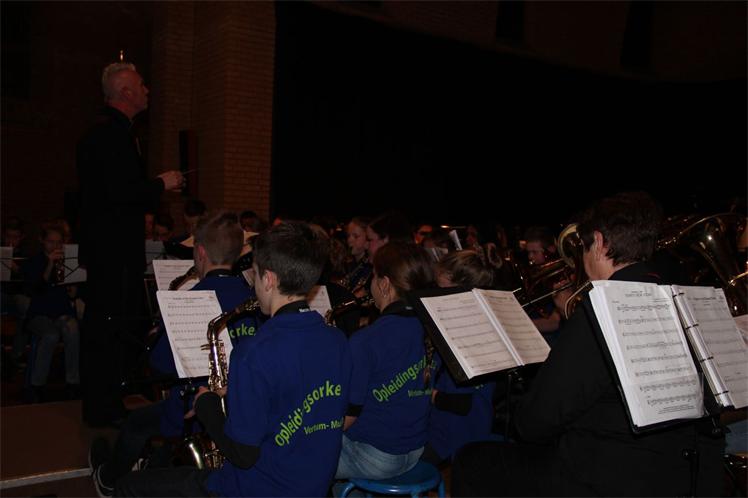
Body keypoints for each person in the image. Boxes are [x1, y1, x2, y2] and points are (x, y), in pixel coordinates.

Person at [451, 191, 725, 497]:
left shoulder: (602, 312)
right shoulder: (681, 300)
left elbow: (534, 423)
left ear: (599, 242)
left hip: (608, 476)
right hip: (683, 470)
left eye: (583, 247)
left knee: (471, 462)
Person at [115, 221, 352, 497]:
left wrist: (206, 405)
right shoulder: (337, 340)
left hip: (259, 490)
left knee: (127, 487)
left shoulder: (254, 352)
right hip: (313, 487)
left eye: (255, 274)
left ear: (269, 280)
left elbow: (243, 455)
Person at [89, 211, 261, 496]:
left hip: (195, 405)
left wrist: (158, 336)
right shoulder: (252, 298)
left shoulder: (190, 299)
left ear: (201, 253)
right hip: (240, 402)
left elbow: (159, 364)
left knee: (136, 423)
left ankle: (108, 480)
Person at [76, 61, 184, 426]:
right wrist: (160, 183)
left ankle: (105, 403)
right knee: (107, 329)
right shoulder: (110, 136)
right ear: (125, 92)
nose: (147, 90)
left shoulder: (112, 133)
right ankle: (103, 408)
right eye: (141, 85)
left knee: (109, 327)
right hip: (113, 251)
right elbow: (119, 193)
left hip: (109, 250)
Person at [333, 241, 434, 491]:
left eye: (373, 277)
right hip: (415, 449)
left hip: (376, 457)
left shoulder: (366, 340)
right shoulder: (431, 329)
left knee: (295, 454)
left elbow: (348, 417)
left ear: (385, 284)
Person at [422, 250, 497, 465]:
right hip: (447, 423)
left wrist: (427, 394)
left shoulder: (472, 333)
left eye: (441, 288)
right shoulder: (459, 322)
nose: (436, 294)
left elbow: (463, 404)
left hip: (456, 434)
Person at [22, 223, 80, 401]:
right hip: (39, 313)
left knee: (73, 329)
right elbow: (36, 289)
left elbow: (72, 293)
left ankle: (73, 382)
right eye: (50, 241)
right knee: (50, 335)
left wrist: (73, 286)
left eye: (58, 242)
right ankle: (37, 384)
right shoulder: (34, 261)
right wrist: (49, 264)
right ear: (42, 241)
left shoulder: (67, 262)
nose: (55, 246)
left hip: (61, 311)